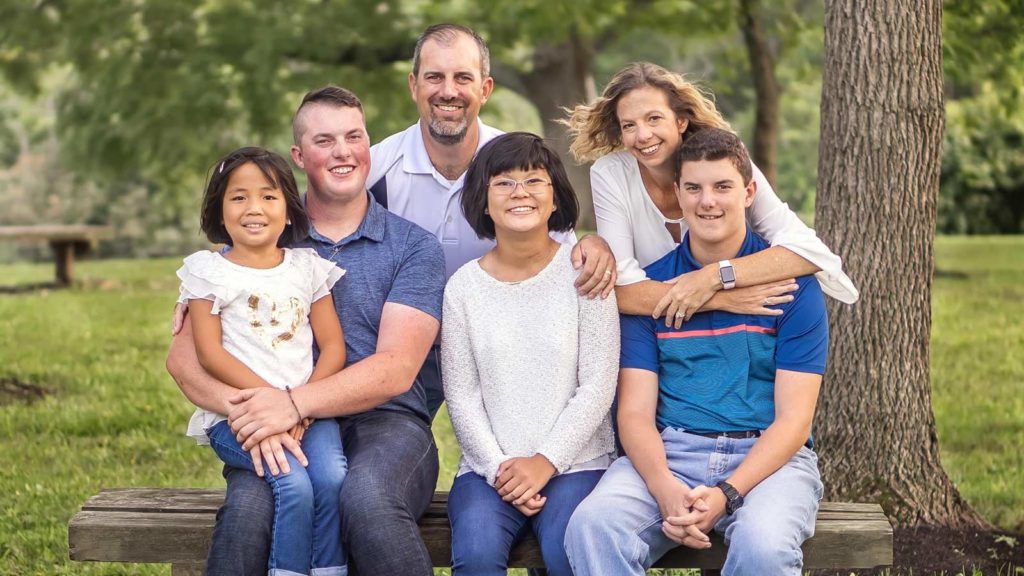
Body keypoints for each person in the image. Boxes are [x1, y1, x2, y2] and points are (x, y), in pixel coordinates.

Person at [167, 87, 447, 576]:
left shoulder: (414, 247)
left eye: (353, 137)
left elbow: (396, 370)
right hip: (268, 413)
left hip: (387, 422)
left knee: (366, 498)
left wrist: (293, 404)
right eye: (324, 140)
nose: (342, 151)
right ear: (299, 156)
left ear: (368, 146)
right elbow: (185, 361)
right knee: (253, 508)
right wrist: (258, 411)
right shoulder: (260, 236)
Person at [565, 128, 828, 575]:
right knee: (593, 527)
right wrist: (665, 488)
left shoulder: (791, 286)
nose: (708, 201)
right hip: (671, 453)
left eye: (722, 187)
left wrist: (727, 491)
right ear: (677, 195)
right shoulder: (652, 290)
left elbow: (794, 421)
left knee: (764, 549)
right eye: (694, 188)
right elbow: (634, 415)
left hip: (767, 460)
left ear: (748, 193)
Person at [368, 23, 617, 418]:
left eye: (462, 78)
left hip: (503, 343)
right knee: (389, 460)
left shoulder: (517, 163)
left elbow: (565, 255)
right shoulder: (376, 167)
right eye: (435, 77)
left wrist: (595, 244)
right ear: (413, 85)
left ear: (485, 89)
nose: (448, 91)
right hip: (405, 346)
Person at [441, 133, 619, 575]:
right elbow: (461, 396)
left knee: (567, 551)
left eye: (534, 181)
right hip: (489, 471)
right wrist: (501, 467)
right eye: (503, 183)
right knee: (477, 554)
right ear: (483, 201)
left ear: (554, 197)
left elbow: (598, 382)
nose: (520, 192)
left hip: (578, 464)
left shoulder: (586, 273)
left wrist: (546, 462)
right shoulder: (463, 287)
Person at [563, 61, 858, 325]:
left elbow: (809, 252)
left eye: (654, 119)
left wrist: (715, 276)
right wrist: (718, 298)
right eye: (629, 125)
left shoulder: (724, 159)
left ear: (680, 121)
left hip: (746, 324)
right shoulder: (611, 174)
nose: (642, 135)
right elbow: (625, 292)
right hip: (658, 330)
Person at [177, 147, 348, 576]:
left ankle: (329, 569)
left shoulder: (308, 268)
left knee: (331, 479)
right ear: (219, 208)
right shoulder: (206, 271)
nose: (254, 208)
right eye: (238, 197)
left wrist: (299, 407)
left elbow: (333, 349)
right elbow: (208, 353)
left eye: (268, 197)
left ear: (289, 211)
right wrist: (270, 406)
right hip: (236, 419)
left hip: (307, 415)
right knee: (292, 485)